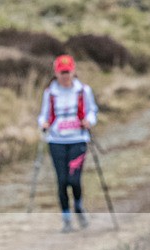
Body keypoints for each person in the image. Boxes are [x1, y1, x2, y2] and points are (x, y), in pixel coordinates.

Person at [37, 54, 99, 233]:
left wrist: (89, 121)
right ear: (56, 73)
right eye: (62, 72)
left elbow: (92, 111)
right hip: (56, 141)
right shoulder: (50, 93)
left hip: (78, 140)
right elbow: (43, 115)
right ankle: (66, 218)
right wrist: (43, 123)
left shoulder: (83, 91)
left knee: (74, 180)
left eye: (67, 72)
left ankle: (78, 206)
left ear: (73, 71)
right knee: (62, 181)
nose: (65, 76)